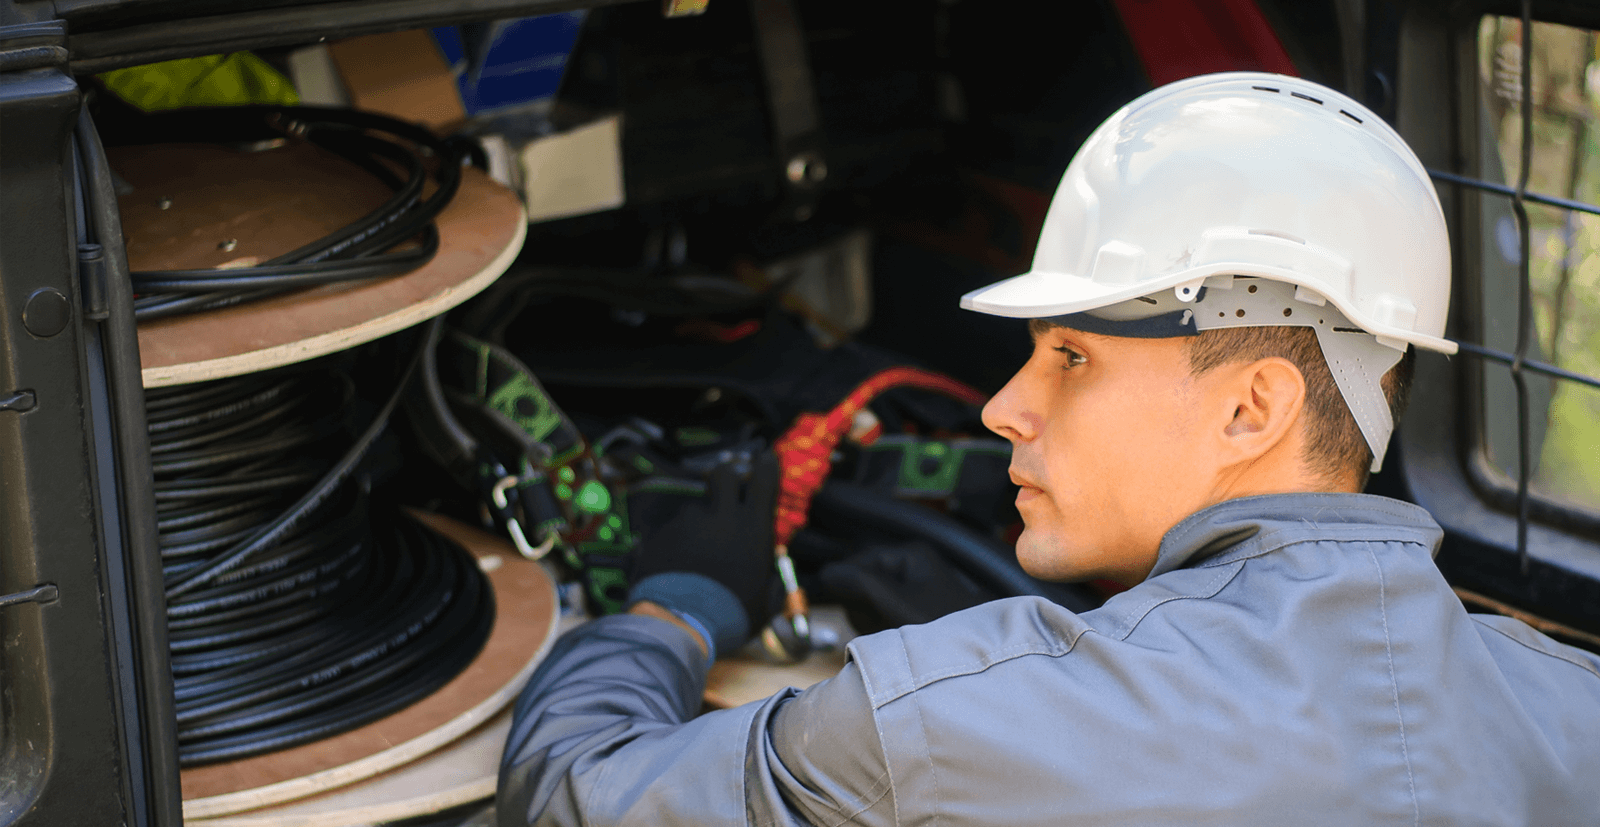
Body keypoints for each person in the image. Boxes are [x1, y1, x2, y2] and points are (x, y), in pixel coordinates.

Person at [497, 73, 1600, 826]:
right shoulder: (1572, 713)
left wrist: (670, 608)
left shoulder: (944, 719)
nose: (1001, 407)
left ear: (1250, 407)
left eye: (1071, 356)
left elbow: (569, 796)